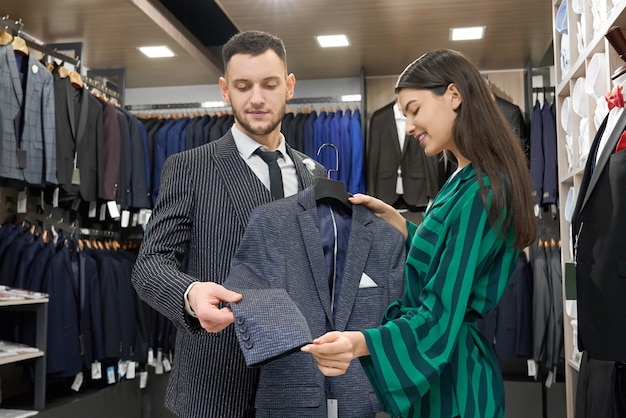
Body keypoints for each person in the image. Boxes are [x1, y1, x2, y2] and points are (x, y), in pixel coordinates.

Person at [302, 49, 537, 418]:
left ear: (454, 96)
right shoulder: (463, 177)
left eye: (414, 109)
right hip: (443, 374)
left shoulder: (482, 189)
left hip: (454, 384)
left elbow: (439, 313)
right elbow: (454, 253)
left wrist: (358, 343)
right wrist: (399, 222)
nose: (409, 127)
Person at [131, 30, 325, 417]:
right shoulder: (190, 167)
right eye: (243, 86)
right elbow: (150, 265)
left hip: (300, 381)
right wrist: (191, 293)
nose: (256, 98)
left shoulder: (315, 175)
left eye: (269, 85)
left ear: (288, 87)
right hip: (216, 382)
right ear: (225, 89)